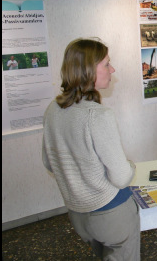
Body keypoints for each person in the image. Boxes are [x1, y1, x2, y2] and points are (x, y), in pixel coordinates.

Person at [42, 38, 140, 260]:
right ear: (87, 70)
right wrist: (131, 165)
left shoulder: (53, 110)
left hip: (78, 215)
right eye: (106, 64)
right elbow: (122, 177)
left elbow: (50, 162)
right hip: (111, 214)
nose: (112, 69)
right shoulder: (97, 115)